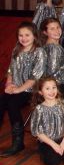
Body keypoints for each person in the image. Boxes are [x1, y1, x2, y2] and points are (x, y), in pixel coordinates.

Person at [0, 22, 46, 157]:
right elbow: (10, 70)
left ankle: (18, 142)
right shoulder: (17, 50)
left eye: (27, 35)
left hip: (32, 90)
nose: (23, 38)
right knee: (2, 101)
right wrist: (9, 85)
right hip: (16, 88)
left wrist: (19, 89)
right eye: (21, 35)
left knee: (12, 104)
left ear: (34, 36)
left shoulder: (39, 52)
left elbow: (35, 77)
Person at [30, 77, 64, 165]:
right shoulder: (39, 109)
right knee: (53, 162)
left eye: (54, 87)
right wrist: (53, 145)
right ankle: (43, 151)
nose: (51, 91)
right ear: (40, 92)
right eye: (47, 88)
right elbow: (37, 132)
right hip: (48, 141)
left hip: (62, 139)